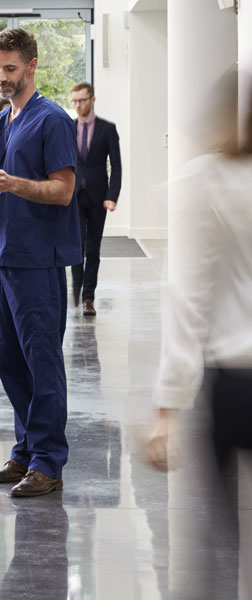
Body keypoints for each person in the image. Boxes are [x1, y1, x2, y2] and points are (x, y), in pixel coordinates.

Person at [0, 28, 81, 497]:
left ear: (32, 66)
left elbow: (64, 189)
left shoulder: (52, 121)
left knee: (41, 362)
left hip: (38, 261)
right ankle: (26, 451)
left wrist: (17, 184)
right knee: (10, 361)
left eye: (10, 69)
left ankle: (48, 462)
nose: (2, 77)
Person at [146, 82, 252, 596]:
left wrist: (168, 408)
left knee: (225, 545)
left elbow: (189, 300)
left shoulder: (206, 182)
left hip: (235, 381)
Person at [70, 82, 122, 316]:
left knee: (92, 249)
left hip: (98, 197)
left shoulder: (107, 129)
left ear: (92, 100)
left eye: (81, 100)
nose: (78, 105)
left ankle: (88, 297)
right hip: (73, 197)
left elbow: (117, 167)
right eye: (75, 101)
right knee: (75, 247)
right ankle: (76, 291)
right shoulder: (68, 128)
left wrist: (112, 196)